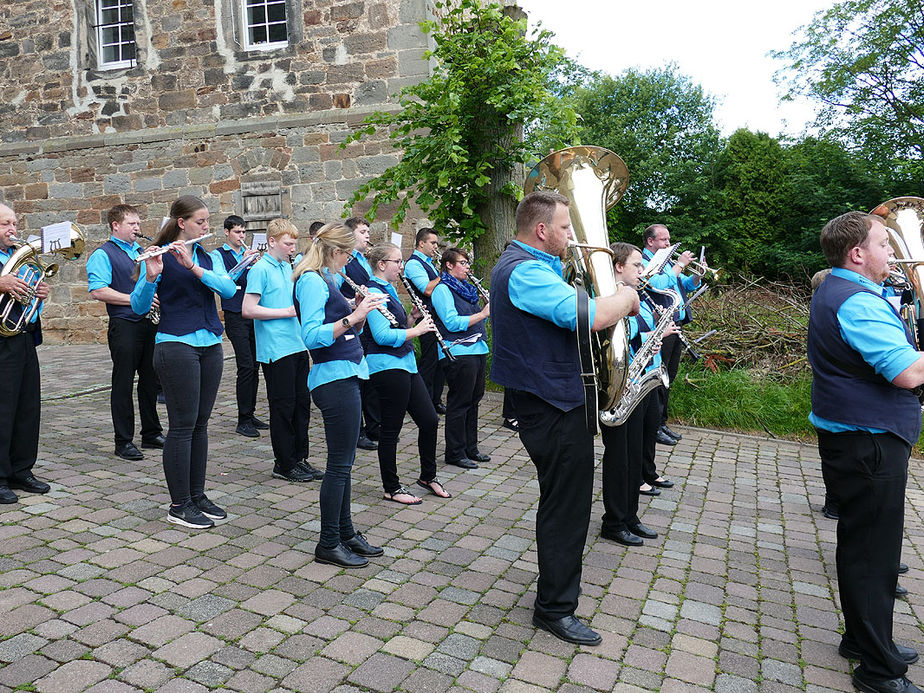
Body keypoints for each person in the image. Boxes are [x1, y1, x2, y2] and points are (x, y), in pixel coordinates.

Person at [491, 190, 639, 646]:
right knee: (566, 506)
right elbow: (591, 316)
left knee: (565, 501)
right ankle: (554, 609)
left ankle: (556, 598)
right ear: (542, 230)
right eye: (565, 228)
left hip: (555, 399)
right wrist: (629, 297)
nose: (572, 236)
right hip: (551, 405)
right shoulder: (526, 272)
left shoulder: (534, 267)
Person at [808, 211, 924, 693]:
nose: (893, 251)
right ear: (858, 253)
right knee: (873, 557)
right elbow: (908, 374)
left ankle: (862, 639)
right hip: (869, 442)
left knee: (863, 547)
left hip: (857, 437)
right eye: (884, 242)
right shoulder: (859, 302)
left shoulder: (839, 289)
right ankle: (877, 670)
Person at [130, 195, 237, 529]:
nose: (206, 227)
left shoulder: (206, 255)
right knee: (182, 424)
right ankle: (179, 504)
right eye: (201, 222)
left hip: (210, 344)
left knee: (201, 424)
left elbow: (229, 290)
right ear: (182, 223)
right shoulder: (158, 257)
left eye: (207, 221)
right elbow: (137, 307)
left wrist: (193, 266)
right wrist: (151, 276)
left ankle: (196, 494)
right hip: (175, 345)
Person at [294, 222, 388, 568]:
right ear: (335, 252)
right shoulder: (311, 281)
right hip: (332, 378)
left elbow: (345, 326)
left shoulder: (328, 280)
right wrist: (355, 315)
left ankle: (345, 532)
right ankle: (328, 542)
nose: (351, 260)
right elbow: (313, 336)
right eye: (349, 254)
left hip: (346, 372)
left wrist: (358, 310)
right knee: (338, 466)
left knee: (344, 465)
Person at [600, 242, 674, 547]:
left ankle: (630, 515)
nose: (642, 271)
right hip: (619, 387)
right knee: (619, 458)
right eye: (636, 265)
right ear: (618, 266)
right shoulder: (609, 295)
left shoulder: (638, 295)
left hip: (640, 382)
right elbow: (607, 335)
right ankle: (614, 521)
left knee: (634, 456)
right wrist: (647, 335)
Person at [363, 243, 448, 505]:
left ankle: (427, 476)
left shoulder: (389, 289)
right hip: (386, 366)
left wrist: (410, 320)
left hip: (406, 364)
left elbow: (396, 326)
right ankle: (392, 487)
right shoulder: (373, 291)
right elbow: (382, 336)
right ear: (382, 264)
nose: (402, 267)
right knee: (391, 429)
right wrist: (419, 330)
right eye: (397, 262)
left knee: (429, 420)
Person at [242, 219, 321, 483]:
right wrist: (285, 312)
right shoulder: (260, 269)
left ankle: (300, 458)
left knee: (302, 405)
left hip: (297, 344)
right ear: (272, 242)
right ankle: (284, 463)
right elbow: (248, 309)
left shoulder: (290, 267)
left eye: (294, 243)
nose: (292, 248)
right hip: (276, 348)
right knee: (283, 407)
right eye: (288, 243)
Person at [86, 203, 165, 461]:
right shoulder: (103, 254)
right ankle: (123, 441)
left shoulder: (141, 251)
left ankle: (151, 433)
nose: (137, 228)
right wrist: (134, 298)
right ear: (115, 226)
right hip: (124, 325)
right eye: (132, 224)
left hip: (148, 323)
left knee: (150, 380)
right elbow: (99, 290)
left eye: (139, 224)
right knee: (123, 383)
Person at [0, 203, 51, 504]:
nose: (13, 229)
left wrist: (39, 295)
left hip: (22, 337)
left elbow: (27, 302)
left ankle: (21, 469)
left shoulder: (18, 259)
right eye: (5, 224)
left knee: (27, 406)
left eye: (15, 223)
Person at [641, 223, 702, 448]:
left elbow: (683, 284)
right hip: (660, 326)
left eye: (668, 240)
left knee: (670, 376)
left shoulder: (665, 262)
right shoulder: (647, 262)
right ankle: (653, 426)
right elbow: (656, 284)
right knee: (659, 376)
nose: (668, 244)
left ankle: (661, 421)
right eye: (664, 240)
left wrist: (696, 276)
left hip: (675, 324)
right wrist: (679, 264)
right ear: (651, 242)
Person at [431, 247, 491, 470]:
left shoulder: (466, 289)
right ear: (449, 265)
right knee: (459, 402)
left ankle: (470, 447)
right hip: (457, 351)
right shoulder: (442, 290)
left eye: (467, 263)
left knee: (474, 400)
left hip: (476, 349)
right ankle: (454, 452)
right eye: (463, 263)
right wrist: (483, 314)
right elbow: (451, 322)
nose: (467, 268)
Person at [210, 215, 266, 438]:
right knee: (245, 365)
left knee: (255, 365)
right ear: (227, 232)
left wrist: (258, 266)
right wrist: (243, 262)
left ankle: (250, 413)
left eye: (244, 233)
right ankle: (243, 419)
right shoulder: (218, 255)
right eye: (237, 232)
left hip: (254, 312)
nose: (242, 236)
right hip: (235, 314)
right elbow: (224, 281)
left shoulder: (251, 254)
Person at [339, 216, 380, 451]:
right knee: (359, 379)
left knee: (369, 377)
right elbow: (334, 291)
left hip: (367, 320)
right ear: (350, 234)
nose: (367, 236)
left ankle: (374, 425)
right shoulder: (344, 262)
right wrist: (354, 304)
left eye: (368, 231)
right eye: (363, 231)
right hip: (352, 322)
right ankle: (359, 430)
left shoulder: (364, 259)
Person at [404, 227, 446, 414]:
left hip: (438, 316)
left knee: (439, 361)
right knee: (429, 361)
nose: (436, 247)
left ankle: (435, 400)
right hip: (425, 317)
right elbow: (427, 289)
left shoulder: (428, 262)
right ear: (421, 243)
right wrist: (445, 272)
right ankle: (423, 402)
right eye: (433, 243)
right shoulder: (414, 264)